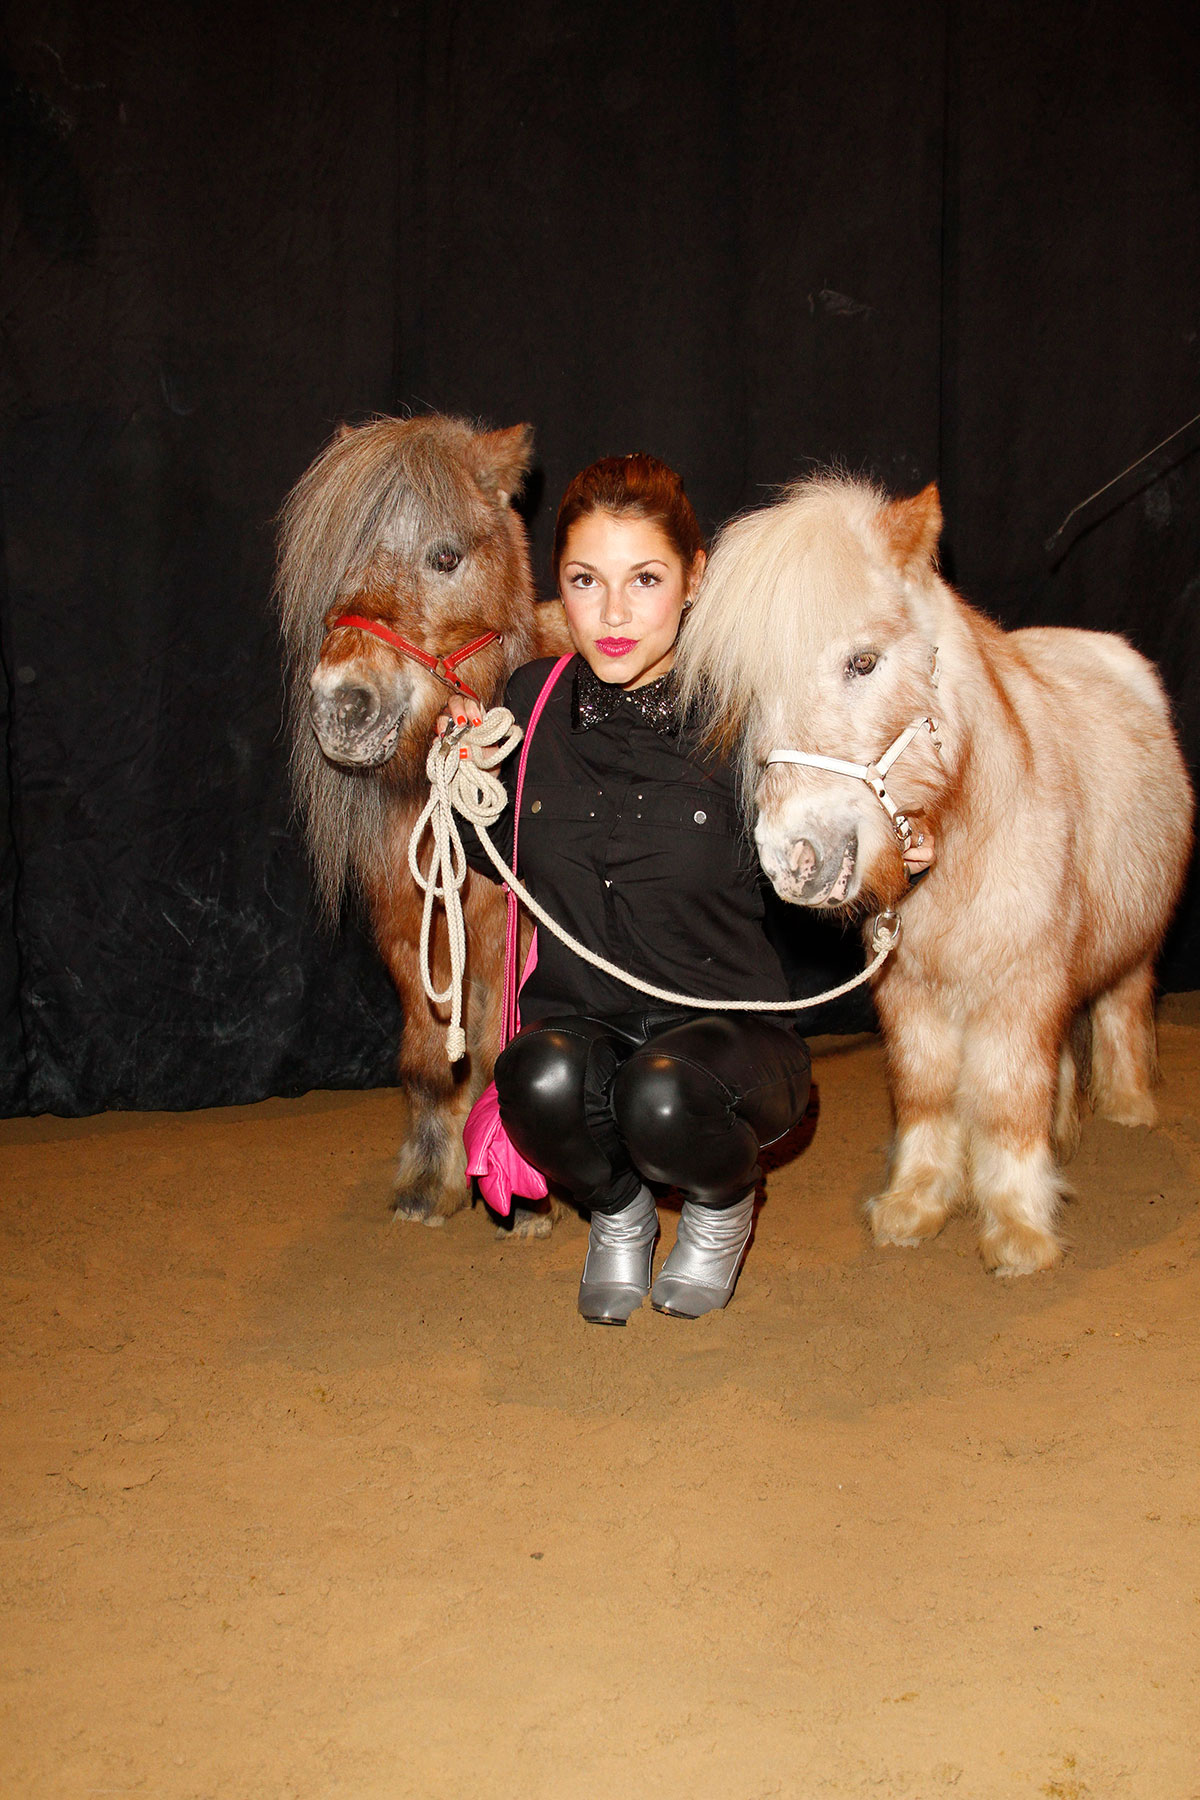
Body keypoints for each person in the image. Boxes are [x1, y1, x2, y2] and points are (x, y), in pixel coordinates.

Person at [444, 454, 933, 1325]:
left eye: (645, 579)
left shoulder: (749, 714)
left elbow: (817, 854)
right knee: (536, 1080)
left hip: (730, 1046)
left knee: (660, 1093)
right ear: (559, 585)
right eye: (586, 581)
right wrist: (458, 780)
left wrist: (895, 843)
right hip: (583, 1022)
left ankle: (720, 1210)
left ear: (694, 579)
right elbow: (496, 858)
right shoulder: (531, 698)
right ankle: (620, 1218)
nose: (615, 613)